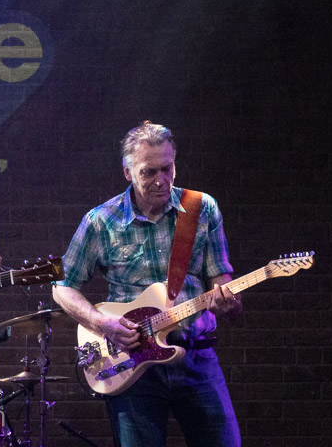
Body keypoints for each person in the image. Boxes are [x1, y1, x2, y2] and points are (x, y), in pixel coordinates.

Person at [52, 120, 242, 446]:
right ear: (128, 172)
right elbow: (62, 286)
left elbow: (220, 283)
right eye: (148, 172)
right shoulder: (101, 221)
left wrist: (228, 301)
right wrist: (102, 324)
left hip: (196, 356)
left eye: (167, 169)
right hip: (131, 365)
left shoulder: (202, 209)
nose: (161, 180)